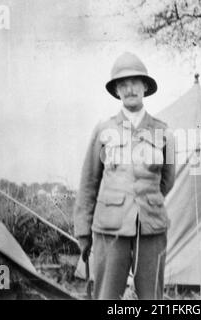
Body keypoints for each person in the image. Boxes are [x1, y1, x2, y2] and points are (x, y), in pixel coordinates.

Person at [73, 52, 175, 300]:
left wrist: (145, 201)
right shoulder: (103, 129)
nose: (130, 89)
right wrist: (83, 232)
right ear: (117, 90)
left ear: (145, 87)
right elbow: (89, 183)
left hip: (151, 229)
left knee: (152, 300)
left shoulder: (163, 131)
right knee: (107, 298)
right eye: (123, 84)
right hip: (110, 229)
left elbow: (167, 179)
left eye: (135, 82)